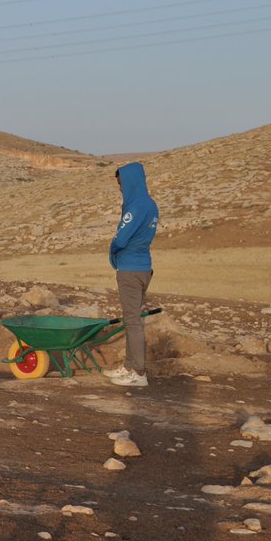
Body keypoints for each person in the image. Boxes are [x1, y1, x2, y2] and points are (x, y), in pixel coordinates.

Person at [104, 162, 159, 387]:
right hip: (144, 266)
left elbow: (121, 238)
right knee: (131, 319)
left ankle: (138, 373)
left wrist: (112, 248)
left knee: (133, 322)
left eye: (121, 184)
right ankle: (128, 366)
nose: (120, 189)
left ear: (130, 182)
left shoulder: (135, 206)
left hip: (130, 269)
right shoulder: (150, 204)